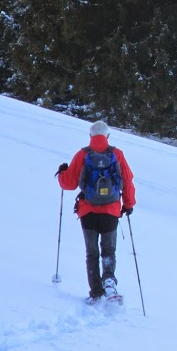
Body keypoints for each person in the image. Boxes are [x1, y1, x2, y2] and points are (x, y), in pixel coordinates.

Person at [56, 120, 136, 301]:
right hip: (111, 211)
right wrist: (129, 205)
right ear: (107, 136)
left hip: (88, 212)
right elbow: (128, 181)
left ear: (90, 136)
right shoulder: (117, 154)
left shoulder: (83, 154)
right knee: (109, 251)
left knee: (91, 253)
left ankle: (96, 292)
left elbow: (69, 183)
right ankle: (109, 281)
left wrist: (61, 174)